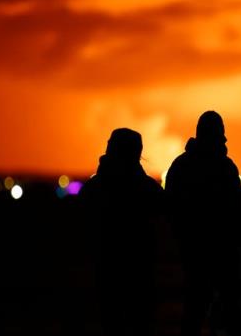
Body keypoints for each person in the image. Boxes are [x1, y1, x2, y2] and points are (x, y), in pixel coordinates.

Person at [165, 111, 241, 336]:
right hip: (218, 251)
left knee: (196, 309)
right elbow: (237, 211)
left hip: (197, 249)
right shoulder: (225, 167)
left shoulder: (181, 166)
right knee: (223, 310)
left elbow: (171, 209)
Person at [80, 128, 163, 336]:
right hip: (140, 269)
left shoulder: (92, 188)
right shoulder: (148, 189)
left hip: (105, 269)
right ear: (137, 152)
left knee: (111, 323)